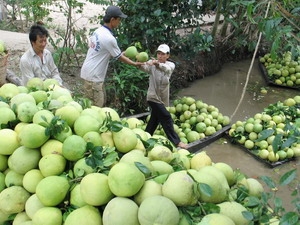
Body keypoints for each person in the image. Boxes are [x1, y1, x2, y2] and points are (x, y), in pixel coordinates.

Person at [80, 5, 143, 107]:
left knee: (91, 104)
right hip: (94, 76)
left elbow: (100, 51)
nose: (120, 22)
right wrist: (134, 63)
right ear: (112, 19)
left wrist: (119, 54)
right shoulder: (109, 38)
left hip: (89, 72)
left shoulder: (98, 31)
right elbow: (119, 57)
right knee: (96, 106)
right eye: (119, 19)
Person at [139, 44, 188, 149]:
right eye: (159, 53)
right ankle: (177, 141)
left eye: (163, 54)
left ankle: (146, 137)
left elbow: (166, 69)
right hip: (152, 97)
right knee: (166, 117)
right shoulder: (151, 65)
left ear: (167, 56)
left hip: (162, 98)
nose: (160, 56)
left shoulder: (170, 65)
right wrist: (138, 61)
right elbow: (142, 67)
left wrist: (157, 65)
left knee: (155, 119)